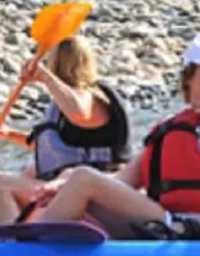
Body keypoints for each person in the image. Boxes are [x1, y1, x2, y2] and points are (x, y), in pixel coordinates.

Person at [27, 34, 200, 256]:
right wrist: (63, 184)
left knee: (83, 178)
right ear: (189, 78)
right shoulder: (168, 127)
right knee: (78, 180)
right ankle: (32, 255)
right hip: (163, 221)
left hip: (196, 225)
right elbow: (123, 181)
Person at [22, 36, 131, 180]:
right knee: (28, 172)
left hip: (97, 181)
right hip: (71, 180)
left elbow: (78, 113)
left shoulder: (91, 97)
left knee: (1, 183)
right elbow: (48, 147)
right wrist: (6, 134)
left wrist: (45, 76)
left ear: (55, 64)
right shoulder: (64, 101)